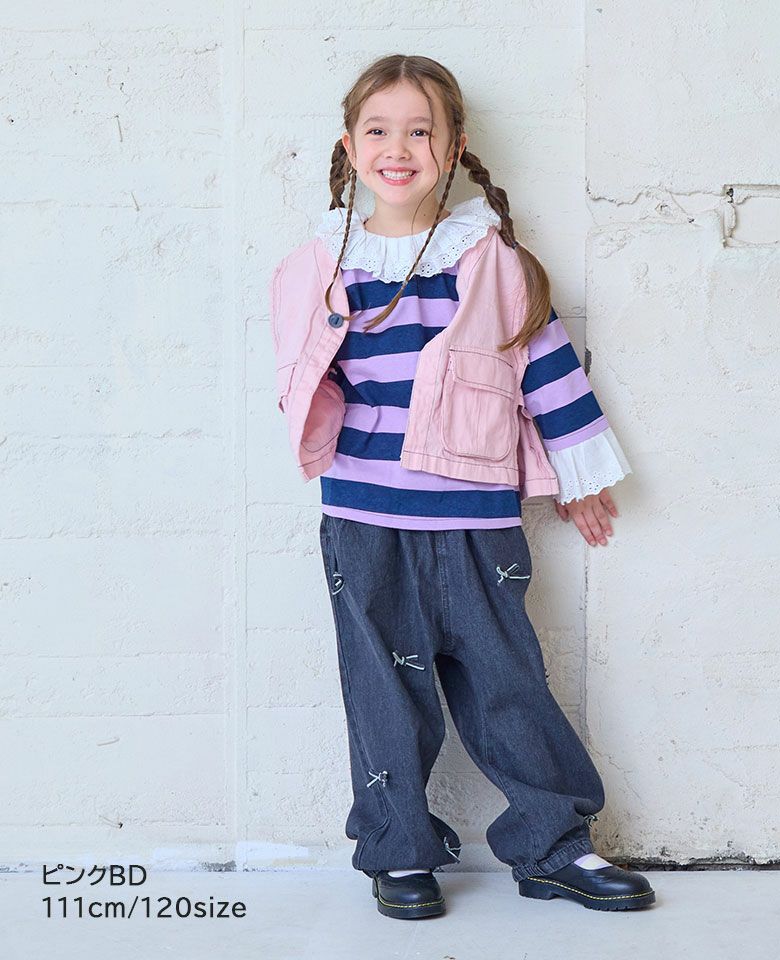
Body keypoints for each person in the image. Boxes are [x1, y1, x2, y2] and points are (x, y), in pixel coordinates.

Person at [269, 53, 656, 919]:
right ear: (349, 145)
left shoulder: (487, 261)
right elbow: (301, 379)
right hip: (363, 516)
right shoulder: (319, 266)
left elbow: (543, 366)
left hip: (475, 516)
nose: (398, 147)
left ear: (452, 147)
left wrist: (576, 474)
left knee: (507, 684)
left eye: (420, 131)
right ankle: (398, 852)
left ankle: (555, 846)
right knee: (382, 693)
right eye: (378, 130)